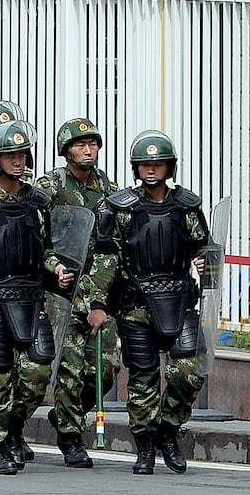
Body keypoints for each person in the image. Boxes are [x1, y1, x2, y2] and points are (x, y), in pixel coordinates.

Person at [83, 130, 210, 475]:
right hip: (136, 304)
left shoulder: (187, 205)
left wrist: (205, 265)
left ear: (170, 167)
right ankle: (144, 447)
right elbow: (105, 258)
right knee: (143, 379)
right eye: (145, 164)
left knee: (190, 371)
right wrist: (98, 303)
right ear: (136, 168)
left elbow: (205, 247)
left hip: (180, 301)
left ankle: (167, 430)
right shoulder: (120, 208)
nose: (151, 170)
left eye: (158, 163)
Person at [0, 120, 74, 475]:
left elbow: (45, 249)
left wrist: (56, 269)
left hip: (31, 298)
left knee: (37, 370)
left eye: (22, 154)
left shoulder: (38, 201)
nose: (18, 161)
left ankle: (12, 428)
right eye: (9, 156)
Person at [34, 118, 121, 468]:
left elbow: (117, 240)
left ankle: (68, 413)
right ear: (66, 149)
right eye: (81, 144)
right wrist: (51, 268)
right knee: (69, 366)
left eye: (94, 144)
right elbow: (36, 235)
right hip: (62, 289)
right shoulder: (50, 186)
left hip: (98, 289)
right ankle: (70, 438)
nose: (89, 150)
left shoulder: (111, 190)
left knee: (107, 367)